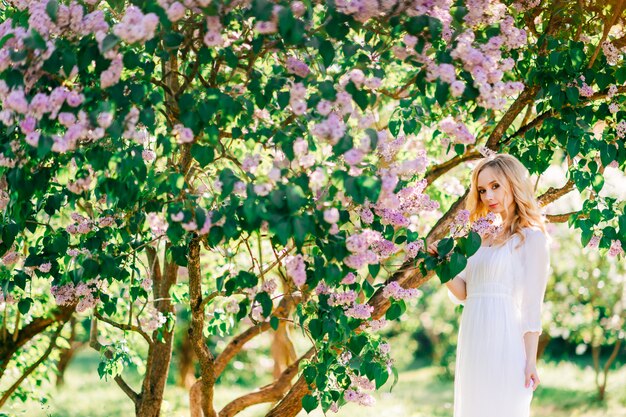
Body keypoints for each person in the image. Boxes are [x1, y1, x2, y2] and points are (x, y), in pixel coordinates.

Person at [427, 153, 551, 417]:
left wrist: (530, 361)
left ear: (514, 183)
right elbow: (465, 292)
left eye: (495, 186)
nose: (488, 196)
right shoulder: (479, 237)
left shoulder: (531, 238)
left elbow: (532, 306)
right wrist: (441, 263)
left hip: (505, 337)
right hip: (473, 335)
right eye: (482, 190)